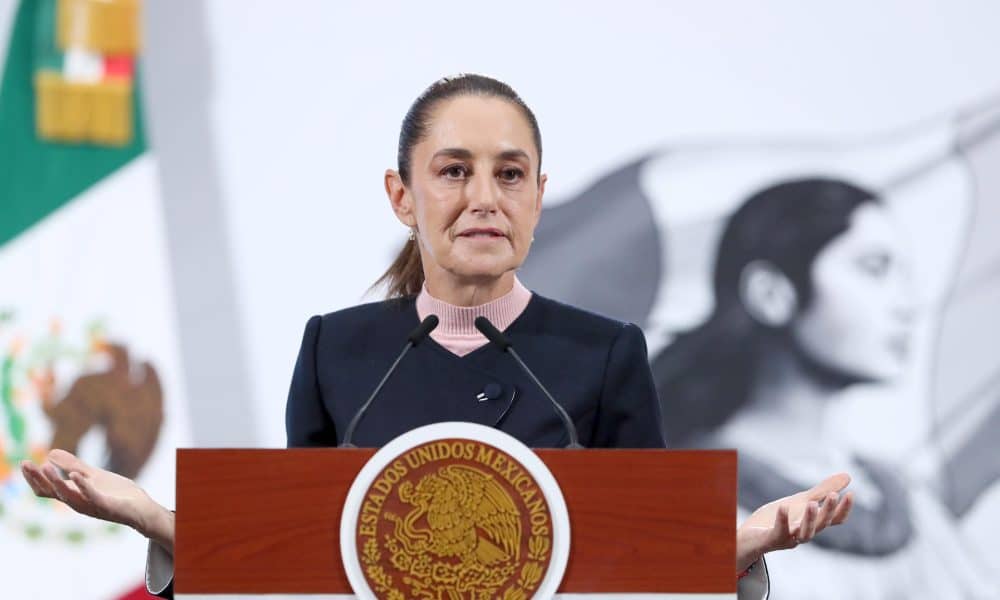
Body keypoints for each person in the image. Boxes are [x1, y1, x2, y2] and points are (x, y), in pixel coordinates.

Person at [20, 74, 853, 599]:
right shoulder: (335, 349)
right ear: (401, 195)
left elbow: (645, 565)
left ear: (538, 197)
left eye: (510, 174)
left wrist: (739, 545)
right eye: (454, 171)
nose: (484, 197)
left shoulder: (607, 353)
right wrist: (159, 521)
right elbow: (298, 564)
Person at [652, 178, 997, 597]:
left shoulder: (904, 501)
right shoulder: (682, 502)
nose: (906, 305)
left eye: (903, 275)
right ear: (771, 293)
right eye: (874, 268)